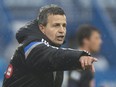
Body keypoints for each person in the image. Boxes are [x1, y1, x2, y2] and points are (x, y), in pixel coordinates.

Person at [2, 5, 97, 87]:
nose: (61, 30)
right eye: (56, 25)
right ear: (42, 28)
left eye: (64, 25)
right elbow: (51, 56)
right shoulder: (32, 45)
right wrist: (78, 57)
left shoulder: (53, 50)